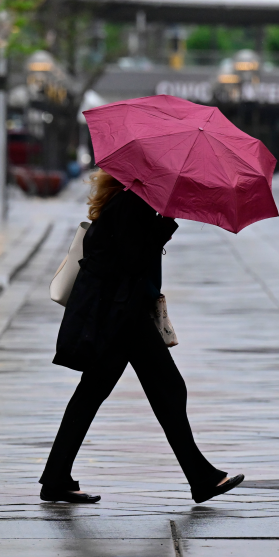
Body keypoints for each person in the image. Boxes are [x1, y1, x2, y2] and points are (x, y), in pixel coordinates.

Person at [39, 170, 243, 504]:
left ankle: (56, 477)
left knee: (95, 394)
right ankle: (201, 477)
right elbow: (133, 261)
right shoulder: (132, 204)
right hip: (121, 319)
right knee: (167, 389)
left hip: (116, 316)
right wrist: (164, 225)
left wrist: (161, 221)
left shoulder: (125, 202)